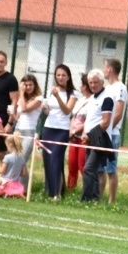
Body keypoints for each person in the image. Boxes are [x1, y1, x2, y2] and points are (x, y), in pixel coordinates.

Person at [41, 65, 79, 200]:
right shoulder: (52, 91)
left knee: (56, 158)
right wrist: (45, 109)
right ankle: (50, 191)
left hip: (62, 130)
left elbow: (67, 111)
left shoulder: (73, 94)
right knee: (47, 160)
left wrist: (58, 97)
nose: (60, 78)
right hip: (48, 127)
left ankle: (57, 193)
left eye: (63, 75)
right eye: (58, 75)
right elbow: (50, 112)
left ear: (68, 77)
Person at [80, 69, 114, 202]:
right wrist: (84, 133)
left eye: (95, 82)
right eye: (90, 83)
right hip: (90, 137)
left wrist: (90, 135)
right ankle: (94, 198)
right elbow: (89, 119)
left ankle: (87, 198)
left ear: (102, 82)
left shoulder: (107, 97)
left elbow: (105, 122)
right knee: (92, 170)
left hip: (100, 138)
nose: (93, 85)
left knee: (88, 169)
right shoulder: (92, 98)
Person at [100, 58, 128, 204]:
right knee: (100, 168)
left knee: (111, 169)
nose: (104, 71)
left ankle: (112, 200)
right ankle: (98, 197)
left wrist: (108, 131)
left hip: (112, 134)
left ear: (109, 69)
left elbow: (118, 113)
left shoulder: (120, 88)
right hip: (103, 133)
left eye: (105, 68)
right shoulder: (106, 88)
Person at [13, 74, 44, 184]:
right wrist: (12, 113)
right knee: (15, 160)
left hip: (29, 132)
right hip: (18, 130)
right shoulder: (22, 98)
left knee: (21, 160)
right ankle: (13, 187)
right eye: (25, 85)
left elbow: (25, 109)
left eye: (30, 85)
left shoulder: (38, 99)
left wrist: (20, 92)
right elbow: (18, 116)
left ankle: (23, 188)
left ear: (35, 85)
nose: (27, 87)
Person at [67, 74, 91, 191]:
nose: (80, 86)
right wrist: (71, 130)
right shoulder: (80, 100)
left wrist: (77, 130)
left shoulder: (93, 101)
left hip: (83, 137)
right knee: (72, 164)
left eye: (82, 84)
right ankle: (70, 189)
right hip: (73, 137)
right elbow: (73, 117)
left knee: (82, 165)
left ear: (86, 86)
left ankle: (87, 191)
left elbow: (89, 120)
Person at [0, 132, 26, 198]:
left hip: (5, 182)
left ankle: (4, 193)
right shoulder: (21, 158)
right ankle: (9, 194)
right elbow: (23, 174)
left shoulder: (7, 157)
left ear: (10, 145)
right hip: (16, 184)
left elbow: (2, 172)